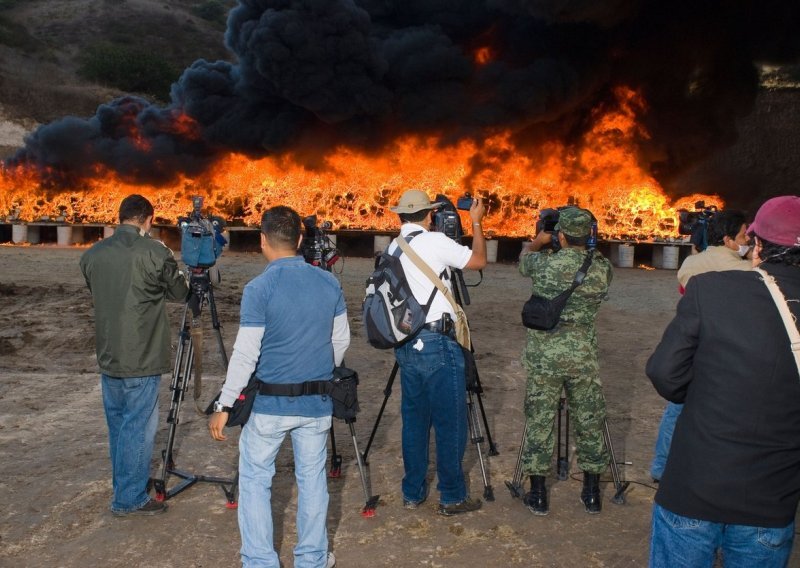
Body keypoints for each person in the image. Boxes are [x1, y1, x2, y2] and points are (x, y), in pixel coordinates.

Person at [646, 195, 800, 567]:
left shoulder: (712, 289)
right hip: (772, 494)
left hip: (697, 483)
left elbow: (665, 374)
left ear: (757, 244)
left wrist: (703, 391)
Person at [208, 206, 349, 568]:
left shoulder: (259, 288)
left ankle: (259, 560)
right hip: (316, 403)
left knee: (255, 481)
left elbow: (245, 353)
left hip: (269, 406)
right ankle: (313, 558)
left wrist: (225, 405)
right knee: (313, 481)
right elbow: (340, 343)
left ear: (262, 242)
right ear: (300, 240)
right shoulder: (329, 283)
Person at [79, 194, 189, 517]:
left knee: (118, 425)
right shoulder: (155, 252)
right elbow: (180, 292)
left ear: (120, 217)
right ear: (148, 220)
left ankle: (123, 486)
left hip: (109, 354)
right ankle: (129, 498)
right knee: (138, 427)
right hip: (141, 356)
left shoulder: (93, 255)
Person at [387, 189, 487, 516]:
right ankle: (453, 495)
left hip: (407, 343)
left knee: (414, 422)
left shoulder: (393, 247)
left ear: (401, 215)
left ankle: (412, 492)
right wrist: (475, 223)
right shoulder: (434, 242)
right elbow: (479, 261)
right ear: (429, 215)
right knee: (450, 422)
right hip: (438, 343)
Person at [518, 207, 612, 516]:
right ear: (588, 236)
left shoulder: (544, 264)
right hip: (582, 355)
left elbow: (523, 262)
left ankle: (539, 495)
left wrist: (537, 241)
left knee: (540, 421)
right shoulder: (601, 268)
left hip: (545, 356)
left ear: (560, 235)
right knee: (589, 421)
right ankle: (592, 493)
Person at [650, 210, 751, 482]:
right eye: (743, 235)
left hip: (691, 344)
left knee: (676, 409)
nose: (748, 239)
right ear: (729, 240)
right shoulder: (749, 270)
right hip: (728, 349)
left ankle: (661, 467)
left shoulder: (691, 264)